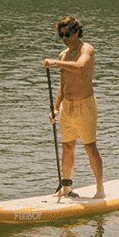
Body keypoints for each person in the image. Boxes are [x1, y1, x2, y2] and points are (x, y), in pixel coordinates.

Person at [43, 16, 105, 199]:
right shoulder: (63, 55)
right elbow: (62, 86)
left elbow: (80, 67)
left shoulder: (87, 49)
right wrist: (55, 109)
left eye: (68, 33)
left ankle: (100, 189)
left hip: (85, 105)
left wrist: (55, 62)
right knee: (67, 146)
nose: (64, 37)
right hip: (66, 107)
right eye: (61, 35)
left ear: (77, 31)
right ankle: (66, 188)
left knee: (90, 147)